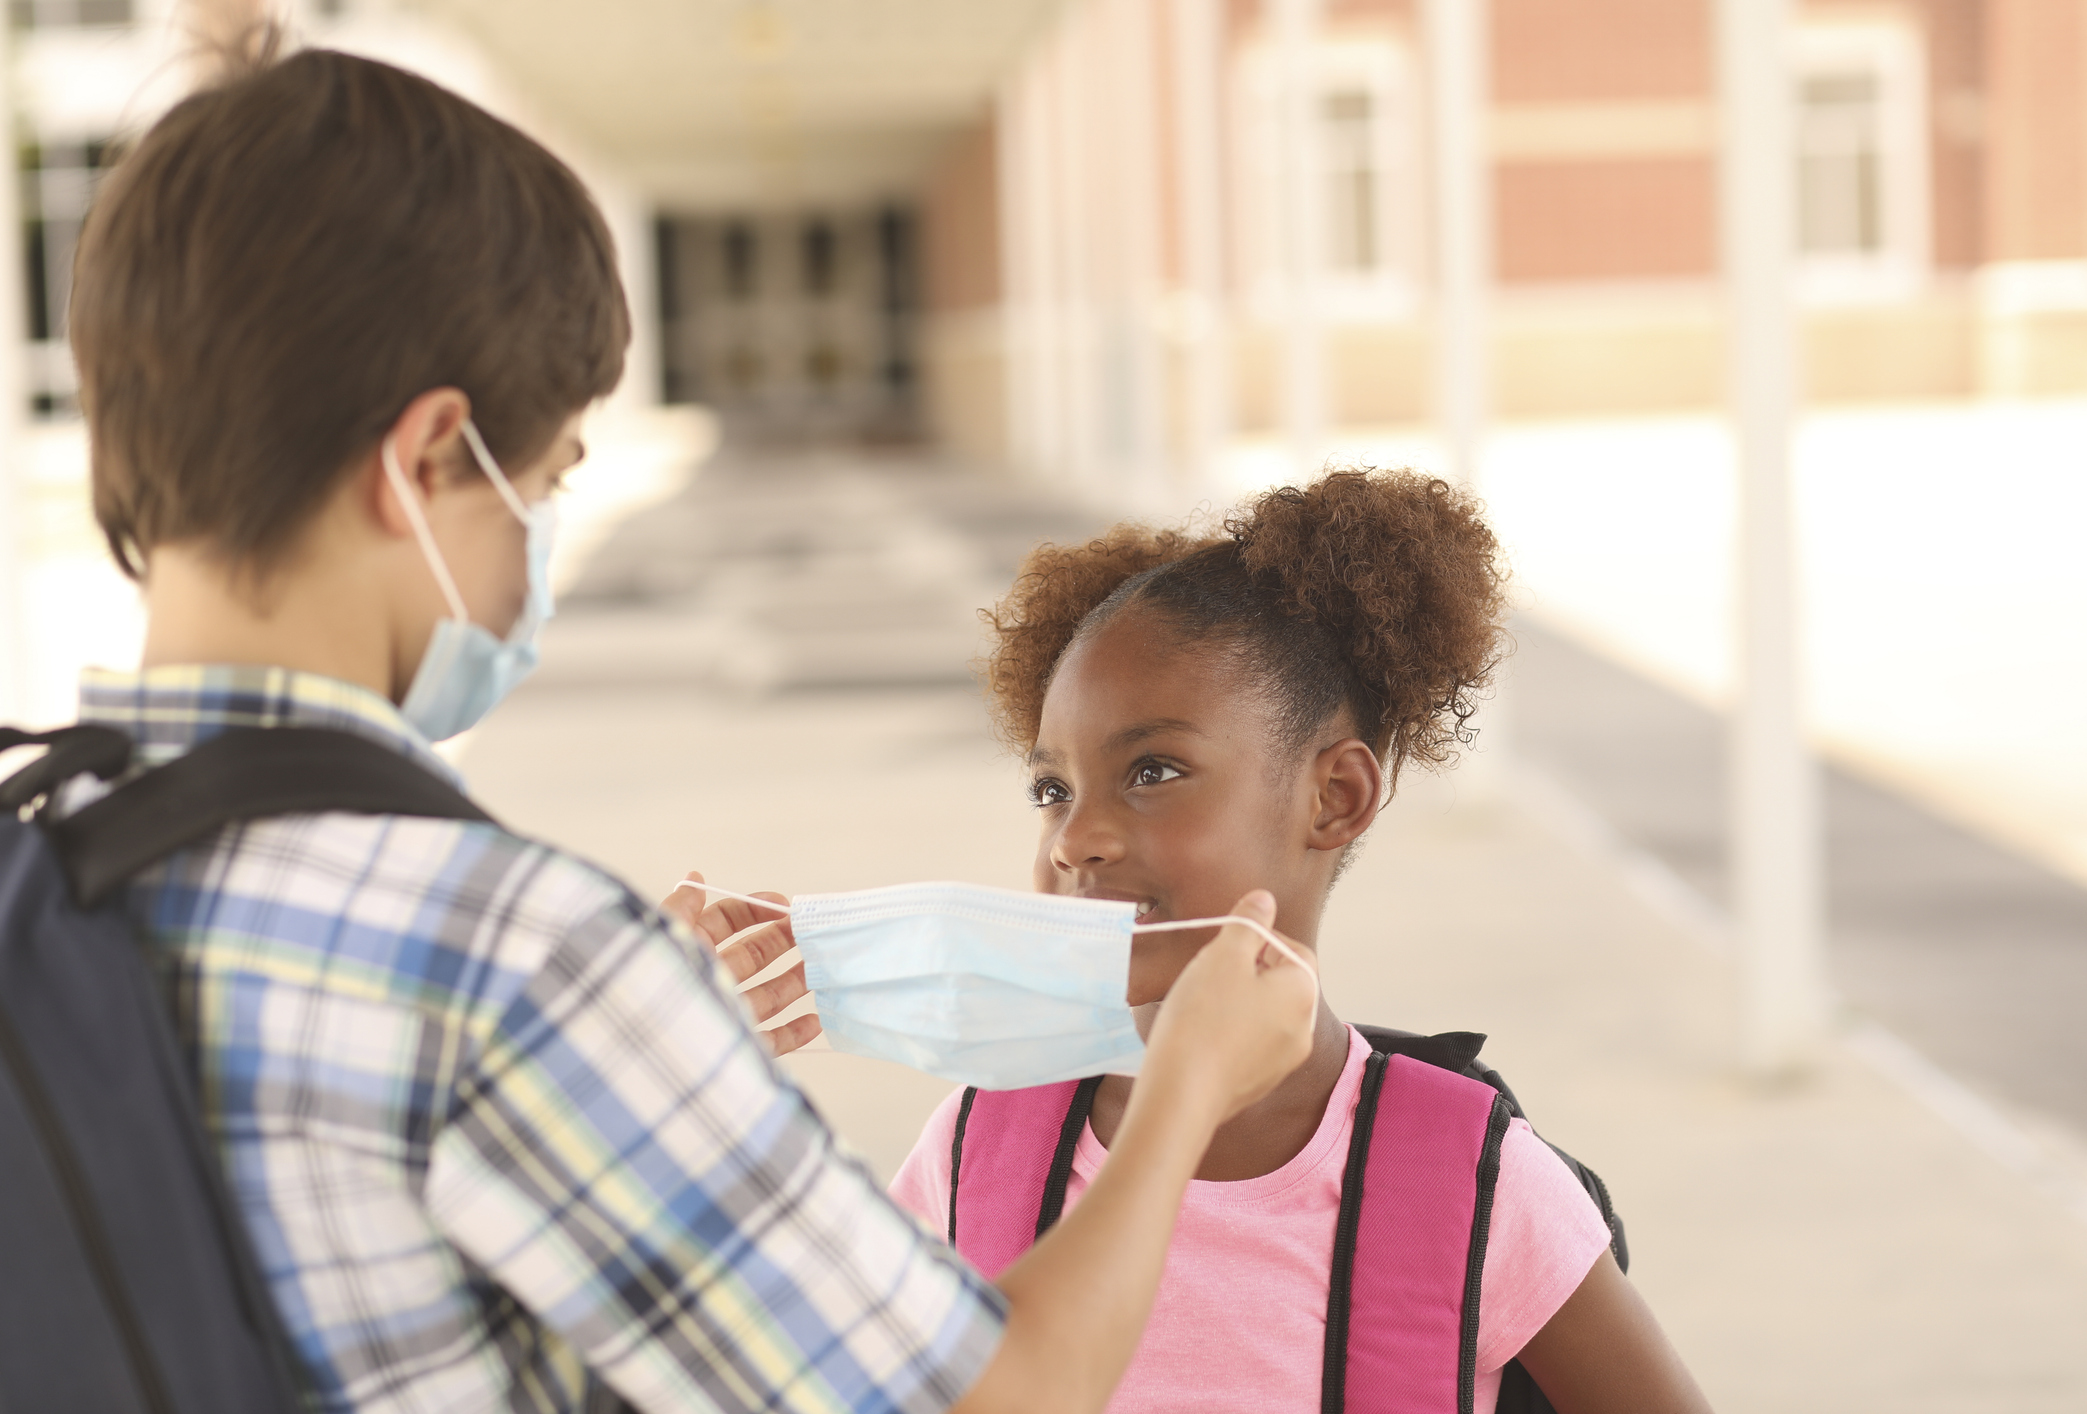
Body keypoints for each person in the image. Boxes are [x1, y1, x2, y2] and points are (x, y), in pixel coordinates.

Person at [56, 42, 1318, 1414]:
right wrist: (1189, 1082)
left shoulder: (37, 871)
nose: (535, 544)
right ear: (426, 463)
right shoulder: (513, 960)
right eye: (540, 483)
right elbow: (984, 1394)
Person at [891, 470, 1714, 1414]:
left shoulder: (1466, 1181)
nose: (1075, 839)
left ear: (1335, 798)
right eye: (1052, 790)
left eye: (1151, 771)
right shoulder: (979, 1146)